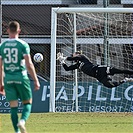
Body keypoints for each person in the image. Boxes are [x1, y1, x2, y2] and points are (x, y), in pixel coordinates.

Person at [0, 21, 40, 133]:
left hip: (8, 78)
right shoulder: (23, 45)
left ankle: (16, 131)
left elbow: (0, 66)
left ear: (7, 30)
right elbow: (29, 64)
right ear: (19, 31)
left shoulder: (2, 46)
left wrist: (1, 83)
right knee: (28, 102)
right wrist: (36, 80)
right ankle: (22, 121)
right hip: (21, 77)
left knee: (13, 106)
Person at [57, 51, 133, 88]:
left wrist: (64, 57)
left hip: (100, 69)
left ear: (78, 54)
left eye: (74, 54)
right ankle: (125, 80)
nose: (73, 55)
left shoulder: (82, 57)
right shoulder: (77, 65)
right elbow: (67, 69)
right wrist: (62, 61)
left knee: (119, 71)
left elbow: (74, 58)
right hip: (98, 76)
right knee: (110, 85)